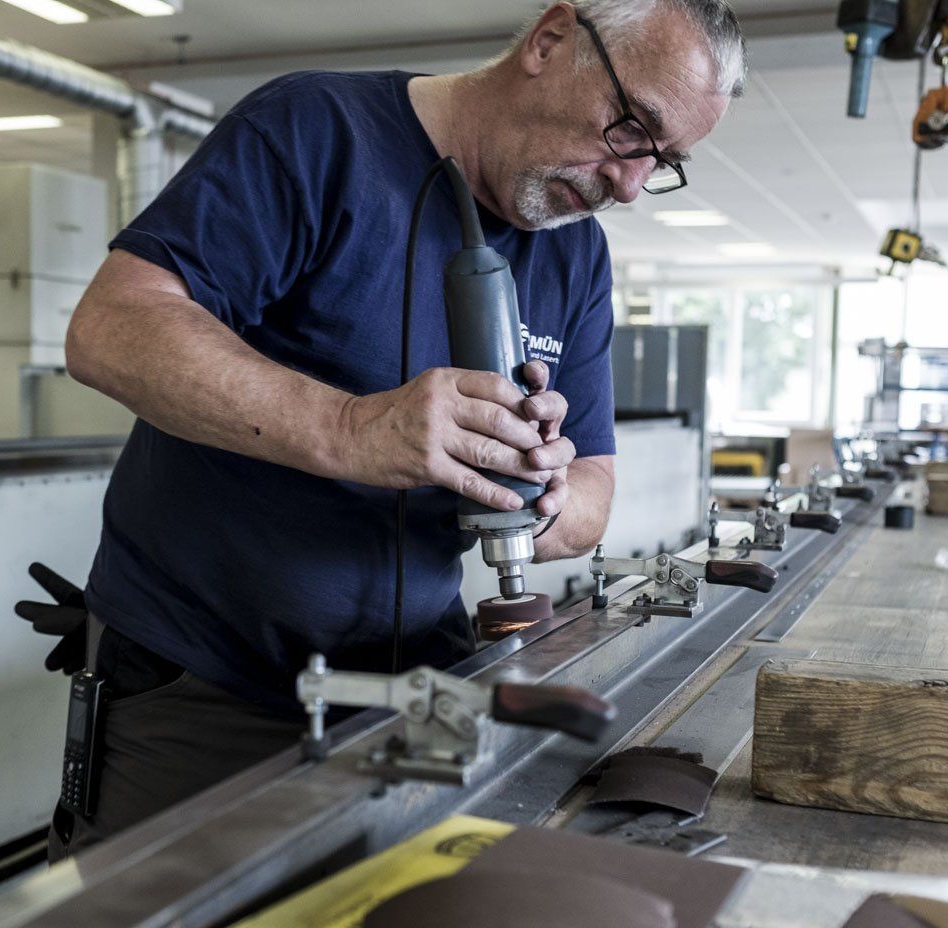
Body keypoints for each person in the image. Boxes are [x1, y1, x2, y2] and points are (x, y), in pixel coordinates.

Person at [52, 0, 745, 857]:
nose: (631, 184)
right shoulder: (316, 132)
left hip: (420, 688)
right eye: (631, 130)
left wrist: (538, 485)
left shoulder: (576, 252)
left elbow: (593, 493)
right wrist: (351, 428)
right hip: (206, 689)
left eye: (665, 163)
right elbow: (110, 328)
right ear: (550, 40)